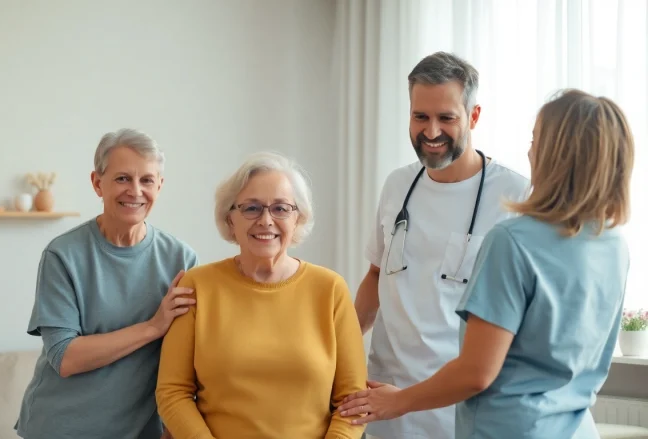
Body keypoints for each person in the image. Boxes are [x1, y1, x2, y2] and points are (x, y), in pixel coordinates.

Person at [338, 88, 634, 438]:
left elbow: (477, 373)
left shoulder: (513, 240)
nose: (529, 151)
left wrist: (398, 401)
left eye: (536, 140)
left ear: (556, 153)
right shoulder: (613, 244)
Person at [353, 51, 530, 439]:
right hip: (386, 403)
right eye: (420, 117)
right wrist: (337, 347)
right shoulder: (397, 185)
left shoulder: (516, 196)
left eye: (446, 118)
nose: (431, 131)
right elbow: (376, 277)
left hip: (461, 408)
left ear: (474, 116)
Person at [154, 151, 368, 439]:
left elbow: (353, 401)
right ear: (230, 219)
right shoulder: (197, 286)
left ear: (298, 219)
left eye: (280, 208)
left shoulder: (330, 289)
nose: (266, 220)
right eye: (251, 208)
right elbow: (172, 392)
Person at [14, 128, 199, 439]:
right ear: (97, 183)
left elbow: (185, 363)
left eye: (147, 180)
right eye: (123, 178)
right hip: (62, 430)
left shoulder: (181, 259)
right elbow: (64, 357)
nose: (135, 191)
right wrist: (153, 327)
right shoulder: (63, 255)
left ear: (160, 185)